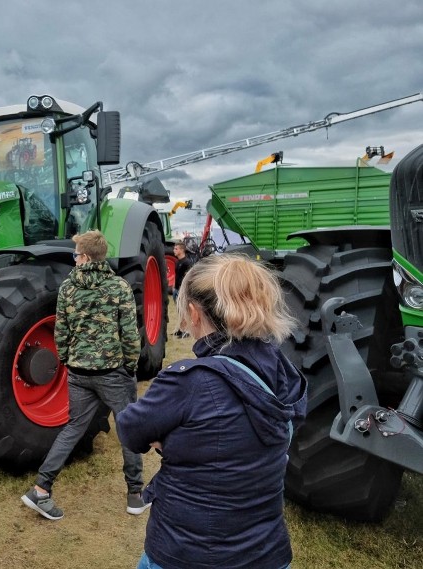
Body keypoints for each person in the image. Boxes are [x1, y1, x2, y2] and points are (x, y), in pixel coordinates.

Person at [116, 254, 307, 569]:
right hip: (266, 553)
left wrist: (171, 438)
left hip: (184, 554)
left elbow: (130, 429)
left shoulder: (188, 382)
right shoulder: (284, 372)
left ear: (193, 312)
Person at [21, 229, 145, 521]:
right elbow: (130, 334)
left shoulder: (67, 288)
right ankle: (136, 495)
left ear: (86, 257)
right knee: (128, 428)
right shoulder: (118, 287)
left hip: (77, 372)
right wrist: (130, 366)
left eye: (75, 253)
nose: (73, 258)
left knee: (72, 428)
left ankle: (41, 489)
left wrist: (67, 361)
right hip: (113, 372)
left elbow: (61, 333)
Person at [171, 240, 195, 338]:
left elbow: (188, 278)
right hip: (176, 289)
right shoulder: (178, 262)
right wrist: (173, 286)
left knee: (184, 310)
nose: (174, 251)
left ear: (181, 250)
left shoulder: (187, 262)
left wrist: (183, 289)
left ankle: (186, 331)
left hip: (182, 290)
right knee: (180, 311)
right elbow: (177, 275)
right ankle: (181, 330)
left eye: (176, 249)